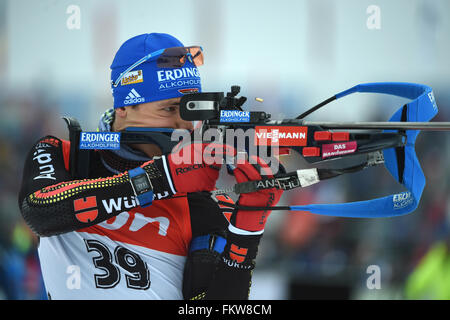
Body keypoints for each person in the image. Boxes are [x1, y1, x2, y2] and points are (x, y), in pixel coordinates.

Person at [18, 33, 283, 299]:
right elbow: (39, 211)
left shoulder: (198, 203)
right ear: (124, 107)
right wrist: (159, 179)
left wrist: (247, 229)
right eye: (169, 110)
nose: (184, 126)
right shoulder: (61, 155)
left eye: (190, 112)